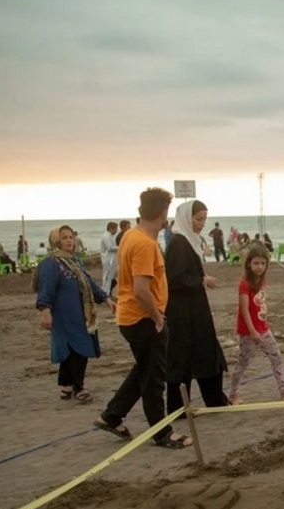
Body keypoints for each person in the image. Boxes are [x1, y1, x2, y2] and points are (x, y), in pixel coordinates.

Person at [93, 187, 194, 449]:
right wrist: (158, 319)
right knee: (154, 379)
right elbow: (141, 290)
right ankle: (162, 433)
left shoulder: (129, 235)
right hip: (142, 319)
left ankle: (112, 416)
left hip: (130, 316)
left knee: (143, 370)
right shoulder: (145, 244)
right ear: (163, 214)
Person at [36, 226, 115, 402]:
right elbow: (45, 290)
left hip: (81, 315)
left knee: (79, 349)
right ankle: (77, 386)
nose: (69, 241)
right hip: (63, 316)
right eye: (64, 238)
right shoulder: (51, 264)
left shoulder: (75, 261)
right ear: (56, 241)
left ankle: (68, 385)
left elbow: (88, 282)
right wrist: (45, 311)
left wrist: (105, 298)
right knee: (71, 350)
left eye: (71, 237)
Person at [164, 200, 230, 413]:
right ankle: (179, 408)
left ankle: (214, 400)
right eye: (198, 219)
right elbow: (175, 278)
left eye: (204, 219)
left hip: (194, 308)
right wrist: (202, 280)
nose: (202, 224)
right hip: (182, 312)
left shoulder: (188, 241)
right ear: (186, 217)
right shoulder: (179, 242)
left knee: (205, 352)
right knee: (182, 357)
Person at [225, 245, 284, 404]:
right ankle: (233, 395)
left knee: (276, 357)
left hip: (264, 328)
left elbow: (259, 305)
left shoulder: (261, 282)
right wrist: (252, 331)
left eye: (263, 263)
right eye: (256, 263)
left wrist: (262, 325)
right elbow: (244, 309)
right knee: (243, 362)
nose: (260, 267)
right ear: (249, 264)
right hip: (249, 331)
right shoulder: (244, 284)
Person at [101, 222, 119, 294]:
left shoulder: (111, 236)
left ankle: (108, 291)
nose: (116, 230)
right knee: (107, 276)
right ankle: (105, 292)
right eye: (116, 228)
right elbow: (110, 248)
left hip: (112, 259)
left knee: (112, 276)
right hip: (108, 259)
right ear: (111, 228)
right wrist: (120, 247)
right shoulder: (106, 236)